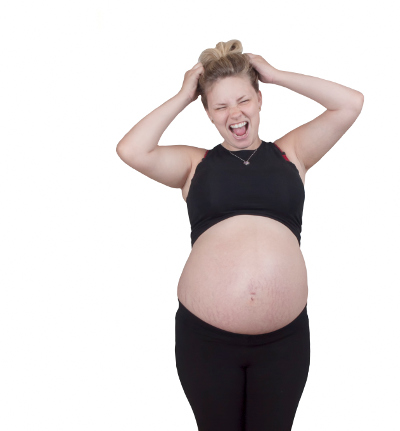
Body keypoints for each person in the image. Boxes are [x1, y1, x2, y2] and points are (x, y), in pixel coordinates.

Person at [116, 39, 363, 431]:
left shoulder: (292, 153)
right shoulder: (194, 164)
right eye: (220, 106)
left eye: (243, 100)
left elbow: (350, 103)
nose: (235, 113)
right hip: (206, 341)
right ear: (209, 114)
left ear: (260, 100)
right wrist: (184, 95)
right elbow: (132, 150)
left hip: (283, 344)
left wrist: (277, 74)